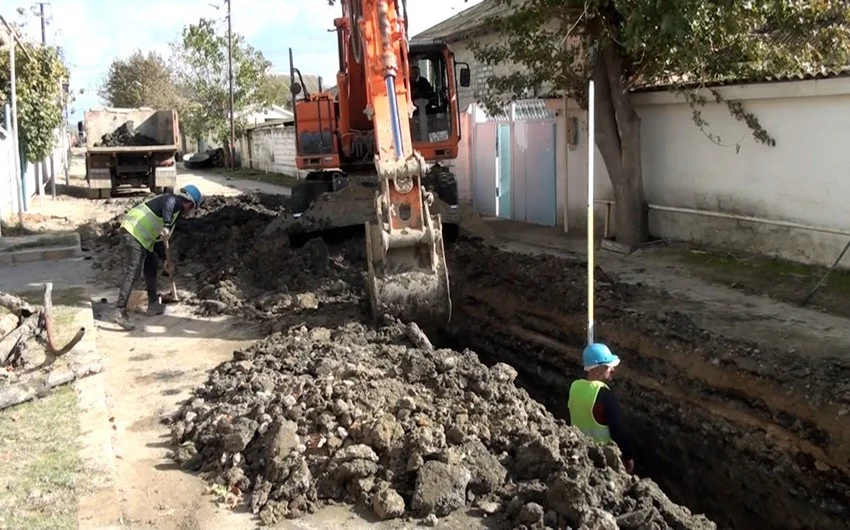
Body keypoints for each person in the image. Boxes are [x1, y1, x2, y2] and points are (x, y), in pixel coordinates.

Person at [111, 185, 203, 330]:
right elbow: (169, 203)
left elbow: (160, 240)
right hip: (133, 231)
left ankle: (153, 304)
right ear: (191, 204)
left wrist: (165, 259)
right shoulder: (173, 201)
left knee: (151, 265)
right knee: (133, 271)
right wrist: (166, 224)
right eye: (193, 209)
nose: (191, 213)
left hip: (145, 239)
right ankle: (119, 311)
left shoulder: (174, 215)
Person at [567, 342, 636, 473]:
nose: (613, 370)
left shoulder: (574, 387)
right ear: (595, 370)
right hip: (602, 460)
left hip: (578, 452)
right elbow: (617, 430)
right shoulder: (604, 395)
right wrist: (628, 456)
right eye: (608, 366)